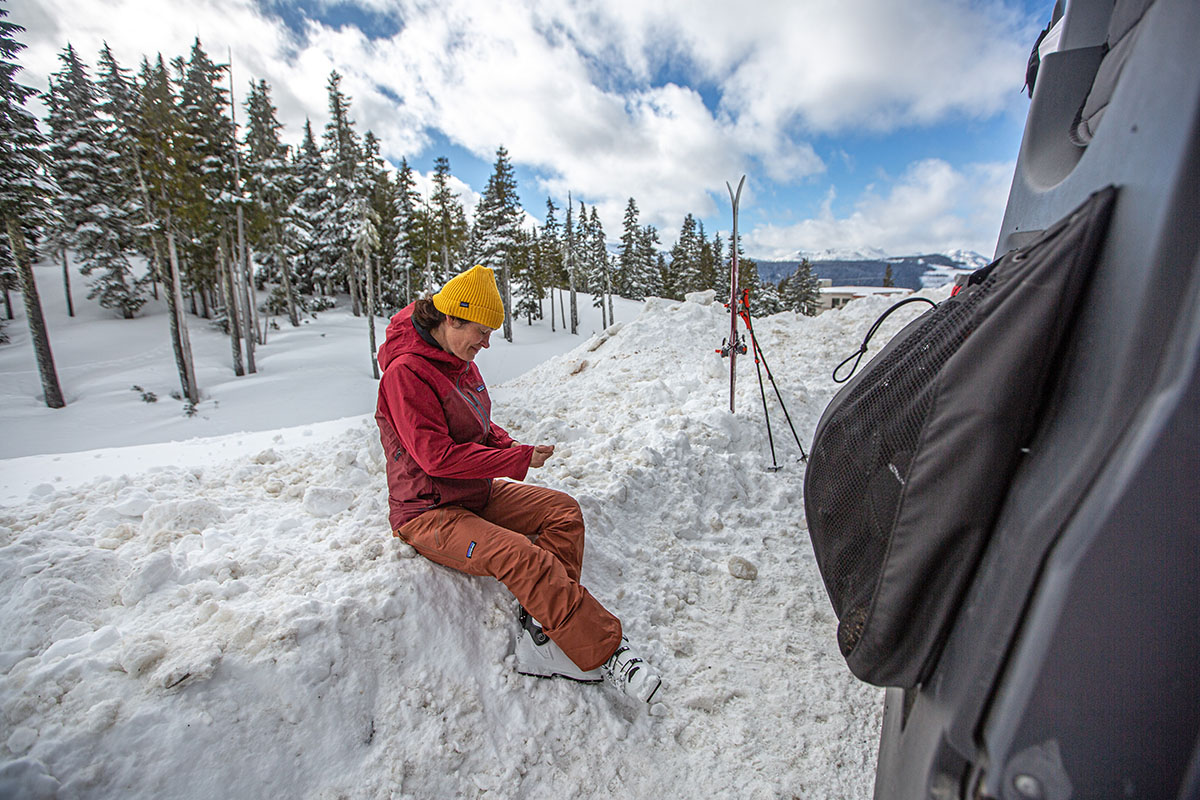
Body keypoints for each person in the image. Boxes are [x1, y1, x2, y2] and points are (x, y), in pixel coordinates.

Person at [374, 265, 662, 705]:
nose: (487, 343)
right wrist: (513, 459)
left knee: (562, 511)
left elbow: (478, 425)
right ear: (452, 319)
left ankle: (543, 635)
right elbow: (436, 457)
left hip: (474, 493)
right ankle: (606, 652)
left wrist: (512, 445)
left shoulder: (457, 359)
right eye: (481, 331)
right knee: (522, 555)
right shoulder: (406, 374)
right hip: (429, 510)